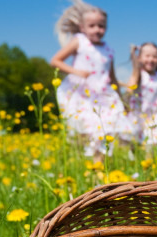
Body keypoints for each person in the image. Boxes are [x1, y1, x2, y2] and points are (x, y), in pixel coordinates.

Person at [51, 0, 131, 160]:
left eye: (101, 26)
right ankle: (87, 163)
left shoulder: (108, 50)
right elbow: (55, 61)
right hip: (82, 95)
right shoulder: (79, 41)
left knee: (106, 129)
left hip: (104, 96)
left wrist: (122, 100)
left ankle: (99, 165)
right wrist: (76, 71)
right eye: (92, 26)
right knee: (87, 132)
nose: (97, 30)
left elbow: (113, 78)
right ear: (82, 27)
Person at [127, 43, 157, 150]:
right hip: (138, 115)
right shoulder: (138, 74)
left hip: (155, 115)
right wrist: (134, 58)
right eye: (147, 56)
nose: (151, 59)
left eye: (154, 56)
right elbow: (129, 90)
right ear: (140, 58)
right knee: (135, 145)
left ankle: (150, 163)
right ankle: (135, 162)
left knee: (153, 142)